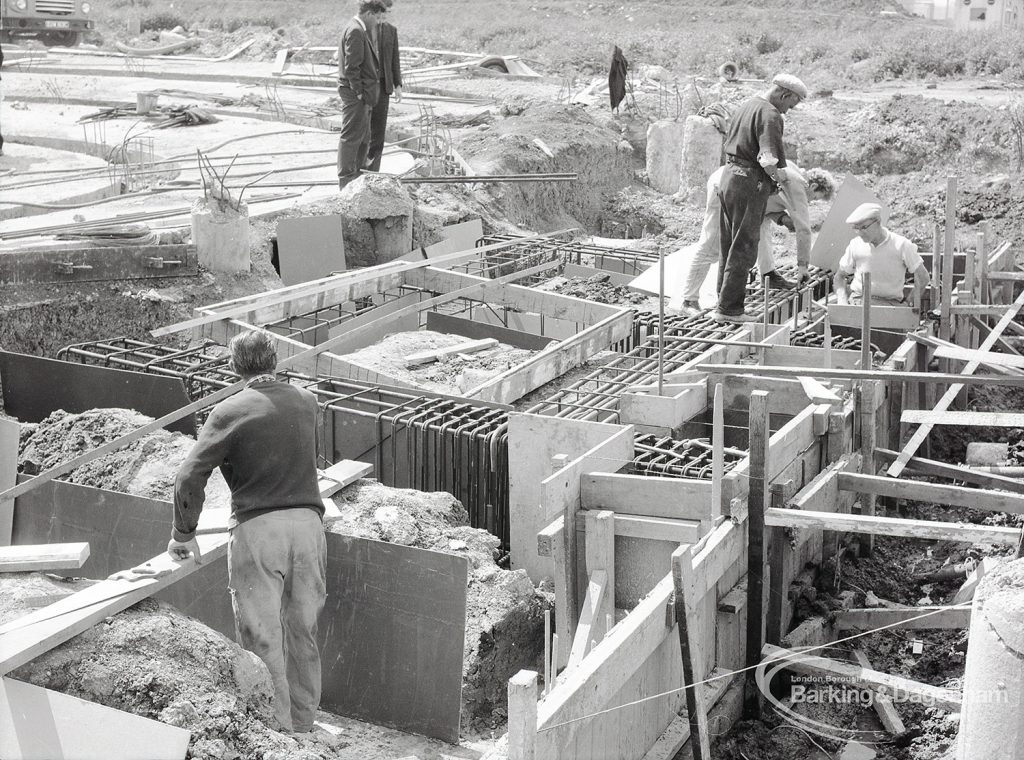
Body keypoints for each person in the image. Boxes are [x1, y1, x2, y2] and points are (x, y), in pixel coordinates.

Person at [168, 331, 326, 734]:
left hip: (260, 533)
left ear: (233, 366)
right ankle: (305, 725)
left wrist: (183, 533)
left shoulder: (229, 412)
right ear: (275, 359)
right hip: (309, 530)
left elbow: (189, 476)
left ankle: (275, 732)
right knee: (303, 630)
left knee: (262, 635)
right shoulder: (307, 402)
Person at [672, 162, 833, 317]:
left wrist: (781, 218)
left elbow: (765, 202)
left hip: (741, 190)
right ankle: (689, 300)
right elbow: (804, 229)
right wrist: (803, 266)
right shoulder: (798, 184)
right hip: (725, 186)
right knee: (711, 245)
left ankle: (768, 274)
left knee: (762, 225)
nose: (812, 202)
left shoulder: (791, 172)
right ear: (812, 187)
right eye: (816, 198)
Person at [714, 73, 807, 323]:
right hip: (748, 181)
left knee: (729, 242)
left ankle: (722, 301)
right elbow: (768, 159)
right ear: (784, 94)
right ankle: (730, 309)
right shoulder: (770, 114)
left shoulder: (747, 104)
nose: (788, 110)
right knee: (744, 245)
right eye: (791, 104)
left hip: (728, 175)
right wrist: (776, 179)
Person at [834, 202, 930, 311]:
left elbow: (923, 277)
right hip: (858, 302)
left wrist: (908, 305)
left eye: (864, 227)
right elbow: (839, 277)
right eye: (856, 228)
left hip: (889, 306)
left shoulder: (901, 245)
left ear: (878, 221)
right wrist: (842, 300)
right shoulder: (855, 244)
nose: (860, 233)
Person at [337, 1, 387, 189]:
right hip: (355, 94)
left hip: (362, 95)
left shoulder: (356, 28)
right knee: (351, 138)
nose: (378, 22)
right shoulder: (356, 31)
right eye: (377, 17)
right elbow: (352, 67)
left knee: (363, 137)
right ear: (368, 14)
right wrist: (358, 92)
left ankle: (357, 176)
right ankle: (347, 179)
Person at [365, 0, 402, 173]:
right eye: (378, 13)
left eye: (384, 14)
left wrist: (398, 85)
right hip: (367, 86)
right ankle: (359, 168)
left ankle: (374, 172)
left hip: (383, 87)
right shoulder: (364, 29)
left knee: (378, 132)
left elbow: (395, 59)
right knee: (364, 129)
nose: (381, 17)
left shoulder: (391, 31)